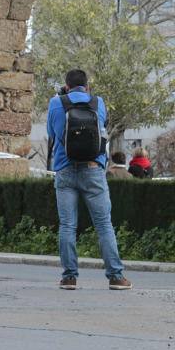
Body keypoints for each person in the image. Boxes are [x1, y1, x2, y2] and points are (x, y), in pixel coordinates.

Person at [46, 69, 132, 291]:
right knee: (103, 225)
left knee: (67, 225)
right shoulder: (98, 102)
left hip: (65, 170)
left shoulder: (55, 103)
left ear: (66, 86)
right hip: (93, 170)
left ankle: (69, 278)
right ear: (87, 85)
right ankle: (116, 277)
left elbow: (52, 135)